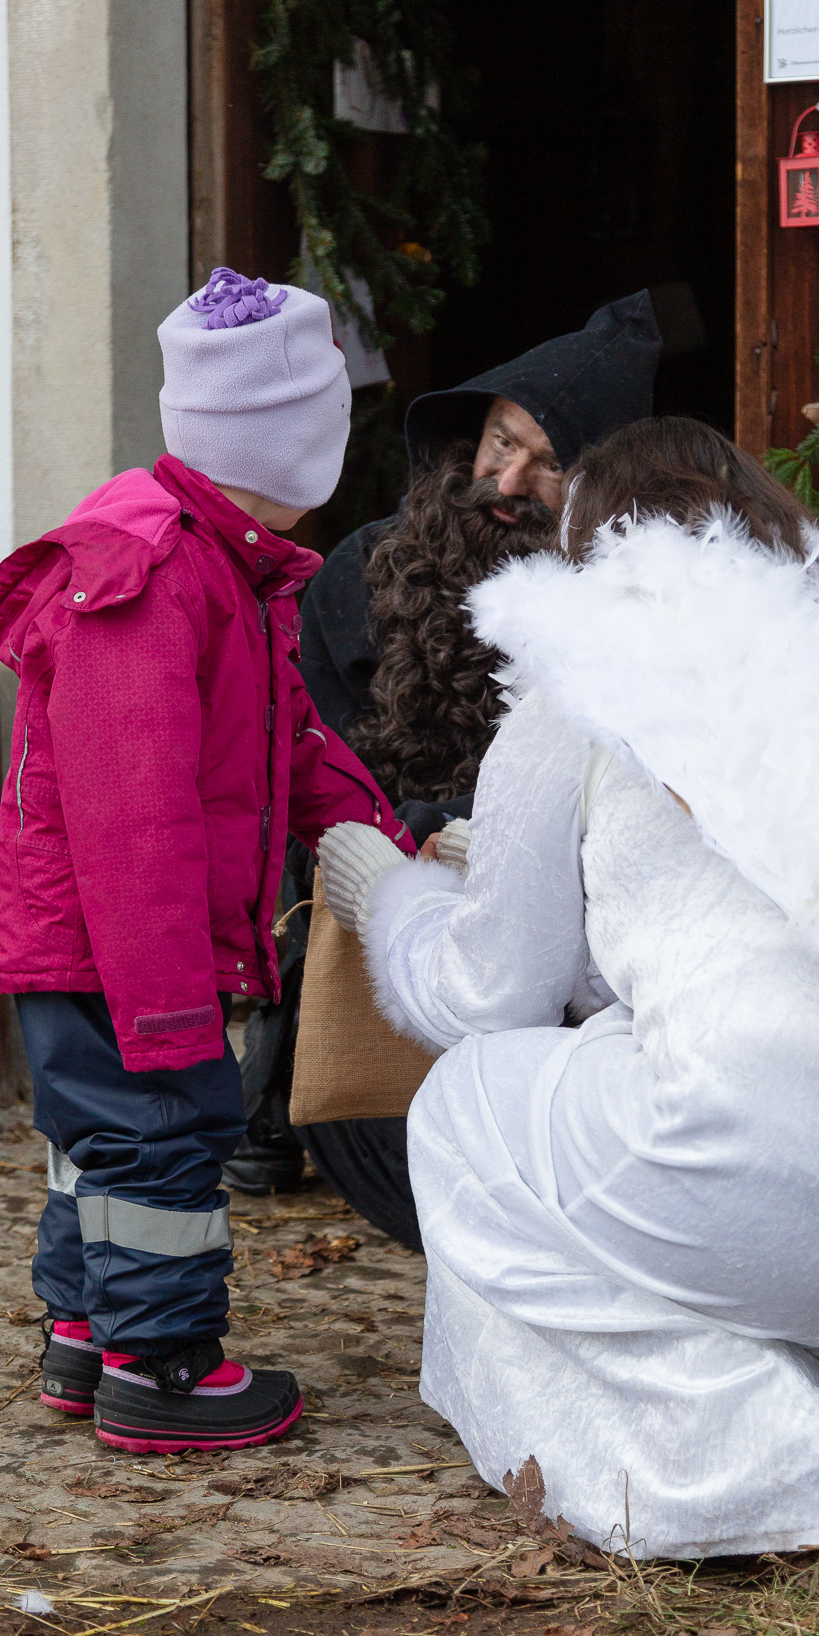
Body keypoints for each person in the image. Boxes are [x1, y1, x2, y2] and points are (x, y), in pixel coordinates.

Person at [316, 415, 819, 1558]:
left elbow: (485, 997)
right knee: (670, 1062)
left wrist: (390, 894)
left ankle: (720, 1460)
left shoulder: (588, 665)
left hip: (818, 1183)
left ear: (586, 552)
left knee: (470, 1103)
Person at [0, 269, 411, 1455]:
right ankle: (162, 1368)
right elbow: (135, 816)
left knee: (103, 1143)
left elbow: (285, 743)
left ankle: (87, 1335)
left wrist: (387, 842)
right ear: (289, 440)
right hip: (115, 944)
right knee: (160, 1131)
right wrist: (167, 1002)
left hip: (115, 942)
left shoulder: (223, 565)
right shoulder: (156, 576)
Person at [230, 287, 700, 1228]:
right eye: (501, 442)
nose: (509, 479)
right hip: (376, 867)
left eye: (550, 463)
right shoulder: (364, 574)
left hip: (550, 911)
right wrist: (417, 837)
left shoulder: (627, 607)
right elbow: (313, 758)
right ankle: (285, 1093)